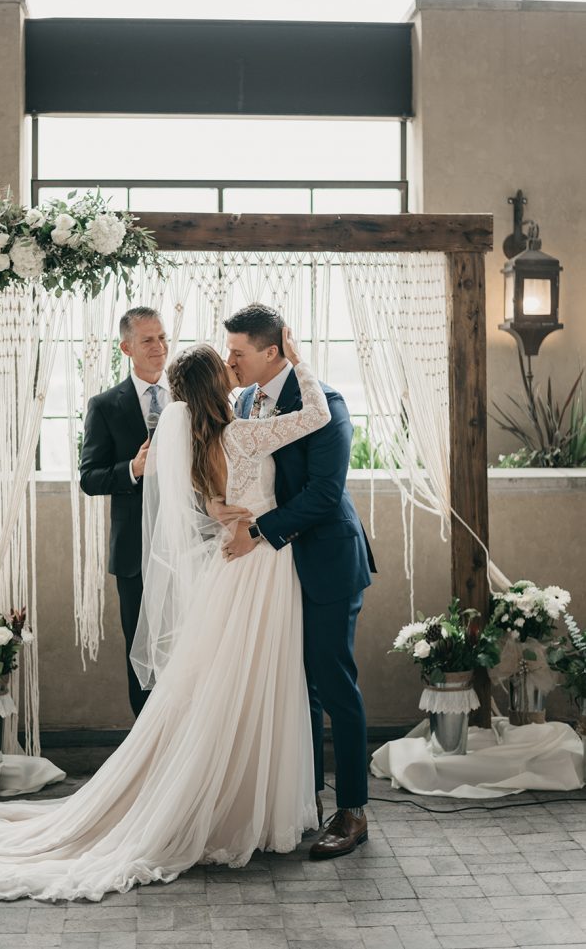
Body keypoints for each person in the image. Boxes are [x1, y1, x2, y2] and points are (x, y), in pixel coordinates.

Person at [0, 328, 330, 901]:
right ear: (217, 383)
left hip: (230, 567)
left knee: (230, 684)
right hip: (258, 565)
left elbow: (206, 503)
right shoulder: (242, 436)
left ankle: (231, 800)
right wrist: (299, 361)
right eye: (227, 363)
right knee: (257, 681)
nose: (235, 366)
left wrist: (219, 506)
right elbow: (314, 417)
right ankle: (240, 808)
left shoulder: (200, 437)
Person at [218, 303, 376, 861]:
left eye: (237, 351)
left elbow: (323, 494)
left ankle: (353, 810)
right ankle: (303, 800)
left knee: (334, 683)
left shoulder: (325, 403)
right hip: (273, 566)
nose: (229, 360)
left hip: (326, 561)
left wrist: (258, 530)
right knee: (296, 684)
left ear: (271, 351)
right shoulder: (241, 401)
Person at [80, 306, 170, 717]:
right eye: (148, 340)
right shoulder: (105, 406)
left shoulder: (186, 396)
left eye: (163, 337)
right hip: (134, 554)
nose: (159, 347)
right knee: (141, 654)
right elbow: (90, 477)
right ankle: (146, 750)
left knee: (184, 649)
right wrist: (133, 469)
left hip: (185, 549)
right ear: (127, 347)